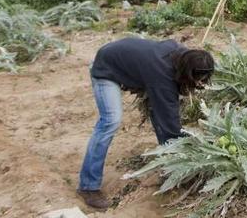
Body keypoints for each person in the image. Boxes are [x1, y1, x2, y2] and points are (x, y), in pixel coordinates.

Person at [77, 38, 214, 210]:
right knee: (110, 121)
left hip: (124, 59)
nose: (199, 83)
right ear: (186, 71)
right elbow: (170, 123)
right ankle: (88, 187)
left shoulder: (181, 54)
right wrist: (186, 147)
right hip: (105, 68)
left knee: (160, 112)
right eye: (196, 79)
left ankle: (169, 162)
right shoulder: (161, 75)